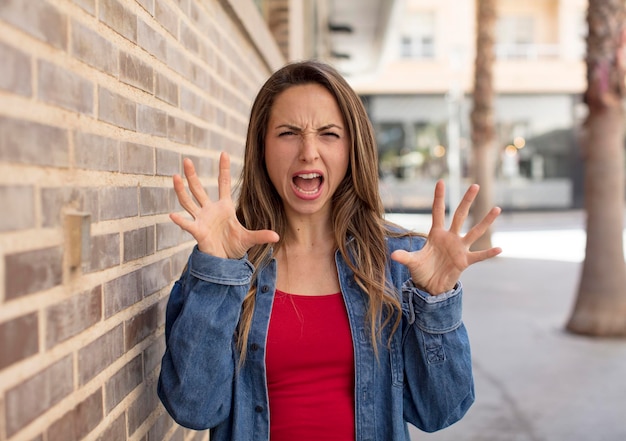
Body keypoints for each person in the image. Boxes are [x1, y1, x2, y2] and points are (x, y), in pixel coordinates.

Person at [157, 60, 502, 441]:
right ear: (262, 148)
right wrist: (218, 275)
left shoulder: (400, 263)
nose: (308, 151)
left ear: (352, 148)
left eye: (329, 134)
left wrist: (436, 302)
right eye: (288, 133)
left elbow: (439, 410)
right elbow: (193, 407)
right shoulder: (227, 260)